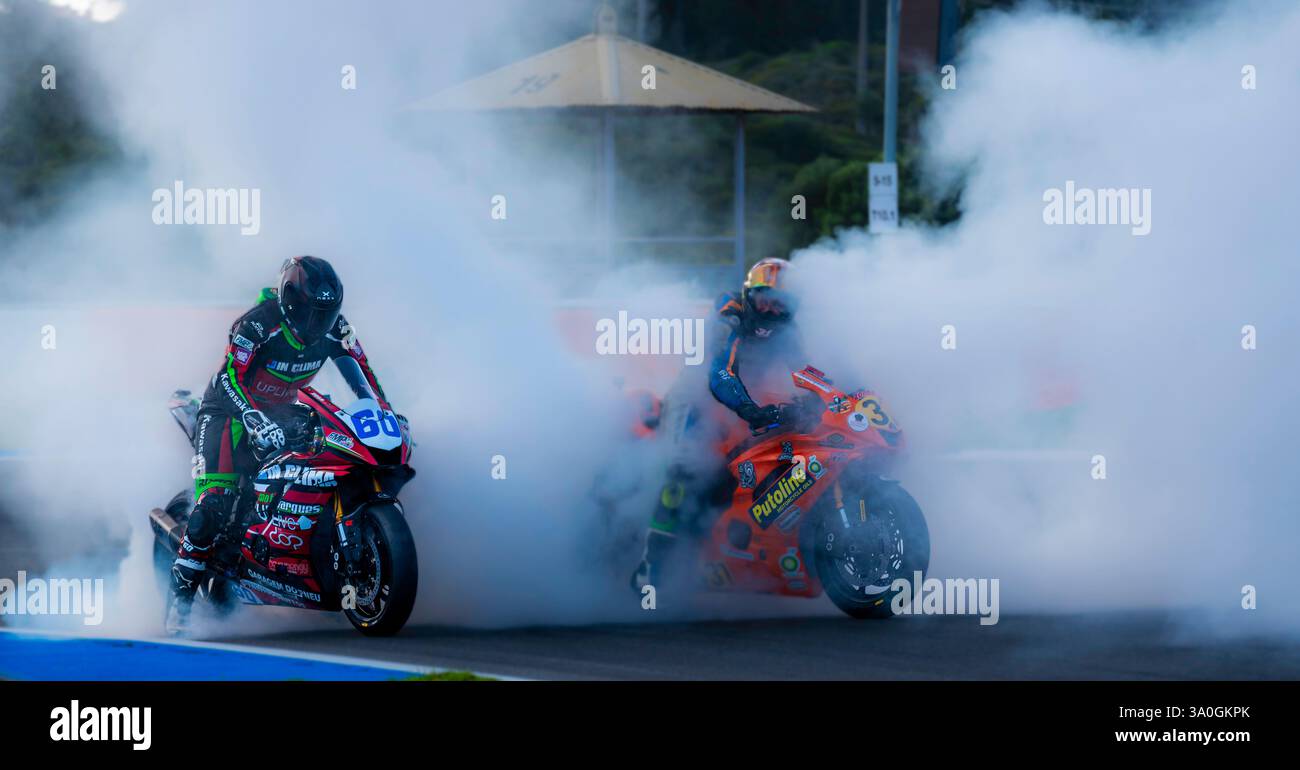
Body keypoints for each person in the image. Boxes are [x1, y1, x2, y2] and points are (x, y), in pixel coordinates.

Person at [167, 255, 389, 634]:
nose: (318, 322)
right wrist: (252, 418)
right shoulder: (257, 324)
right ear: (290, 300)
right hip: (228, 412)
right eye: (311, 312)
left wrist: (382, 412)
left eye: (326, 313)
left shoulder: (338, 328)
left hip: (285, 411)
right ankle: (180, 603)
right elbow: (227, 379)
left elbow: (363, 374)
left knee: (329, 458)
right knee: (212, 506)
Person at [631, 257, 805, 590]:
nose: (770, 309)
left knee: (741, 475)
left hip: (741, 402)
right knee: (681, 473)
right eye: (765, 297)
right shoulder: (731, 314)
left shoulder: (789, 331)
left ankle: (724, 557)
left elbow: (807, 370)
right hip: (697, 399)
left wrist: (837, 396)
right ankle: (651, 567)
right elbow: (720, 374)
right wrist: (751, 409)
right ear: (749, 294)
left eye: (780, 302)